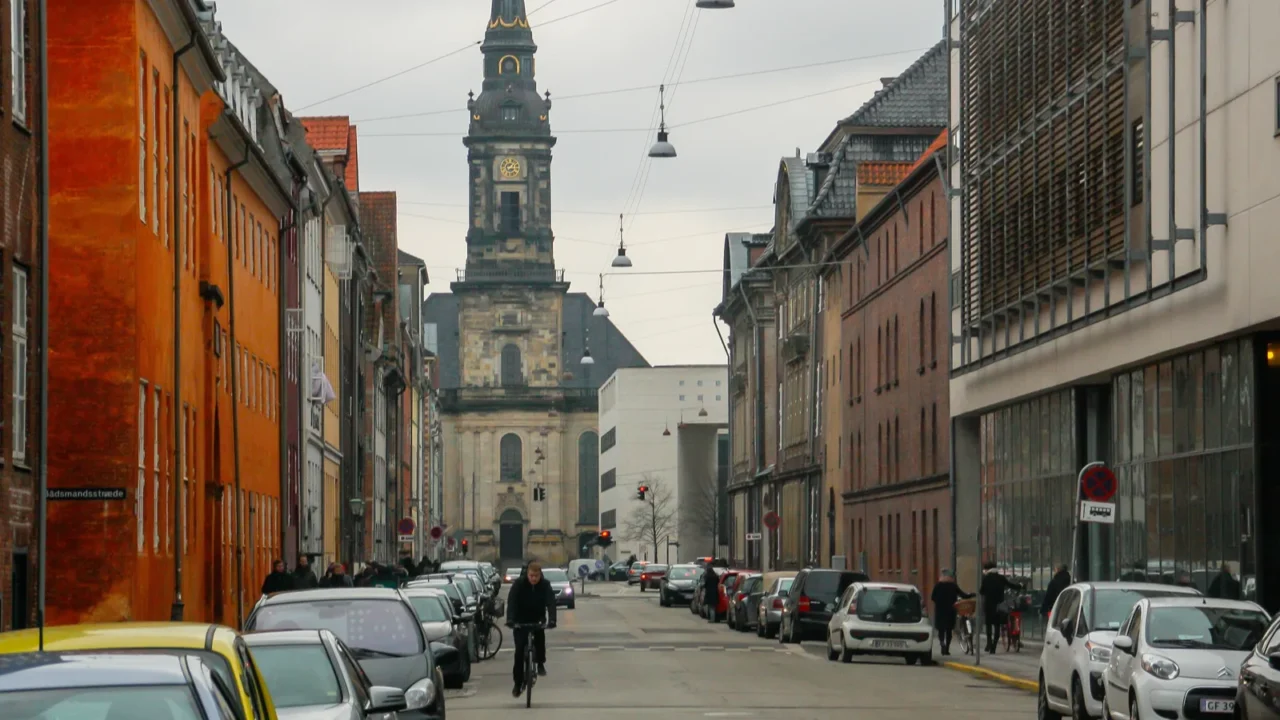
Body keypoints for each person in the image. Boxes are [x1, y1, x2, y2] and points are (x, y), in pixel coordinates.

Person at [505, 561, 557, 698]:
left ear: (540, 575)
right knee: (519, 653)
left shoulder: (545, 585)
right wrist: (510, 620)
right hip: (520, 620)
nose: (534, 578)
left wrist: (552, 620)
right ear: (527, 574)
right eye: (531, 575)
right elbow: (512, 602)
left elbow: (551, 602)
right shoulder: (519, 585)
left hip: (537, 619)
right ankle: (517, 684)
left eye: (536, 576)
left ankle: (540, 663)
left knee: (540, 640)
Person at [979, 562, 1020, 654]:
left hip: (989, 605)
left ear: (987, 569)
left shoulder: (986, 578)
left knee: (989, 625)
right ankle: (993, 646)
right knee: (997, 625)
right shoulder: (1001, 578)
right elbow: (1011, 585)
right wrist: (1020, 586)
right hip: (999, 605)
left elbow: (981, 591)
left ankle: (989, 643)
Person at [930, 570, 974, 655]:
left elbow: (933, 597)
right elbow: (963, 595)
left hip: (940, 610)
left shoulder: (938, 585)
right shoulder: (953, 586)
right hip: (951, 610)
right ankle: (947, 648)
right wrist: (971, 595)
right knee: (949, 630)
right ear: (950, 577)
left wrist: (939, 602)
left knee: (941, 630)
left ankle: (942, 644)